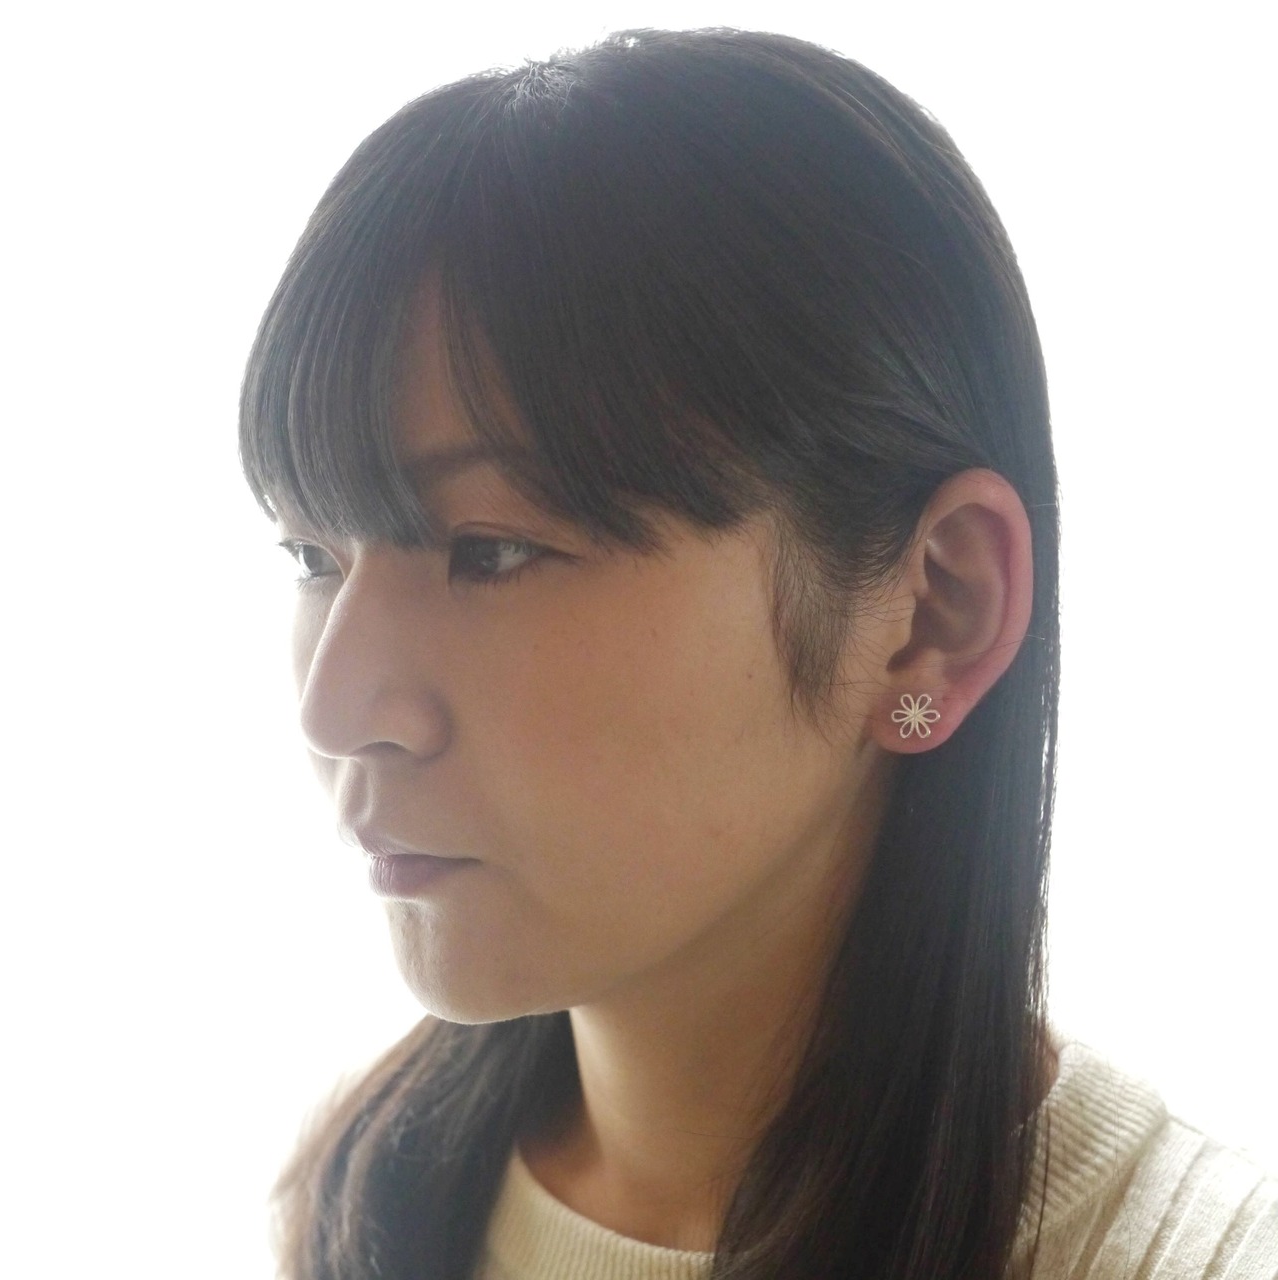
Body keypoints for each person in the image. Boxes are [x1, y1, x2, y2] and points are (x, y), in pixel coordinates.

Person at [238, 27, 1277, 1280]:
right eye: (311, 556)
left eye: (493, 549)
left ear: (930, 613)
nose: (336, 705)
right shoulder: (365, 1199)